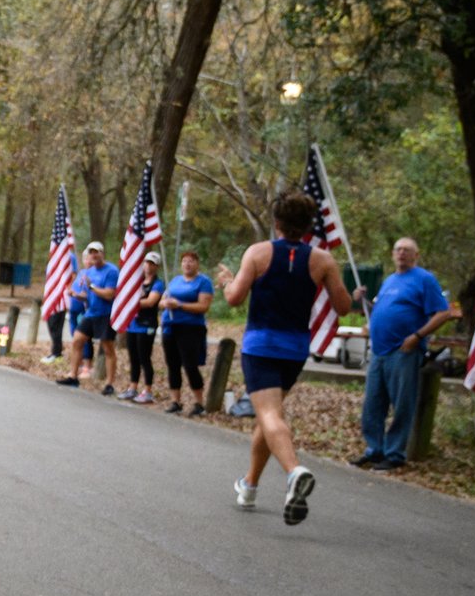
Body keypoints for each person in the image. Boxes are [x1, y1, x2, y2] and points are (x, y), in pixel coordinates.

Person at [222, 194, 352, 524]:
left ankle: (294, 472)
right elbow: (343, 306)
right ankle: (249, 485)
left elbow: (235, 298)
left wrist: (225, 282)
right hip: (295, 350)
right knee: (269, 416)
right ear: (309, 225)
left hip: (261, 345)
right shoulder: (322, 260)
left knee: (267, 414)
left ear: (277, 223)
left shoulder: (258, 252)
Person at [357, 237, 459, 470]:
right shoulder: (390, 281)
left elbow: (443, 313)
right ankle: (375, 450)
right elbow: (386, 311)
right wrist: (362, 300)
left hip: (403, 351)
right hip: (379, 351)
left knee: (402, 403)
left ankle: (394, 454)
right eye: (398, 249)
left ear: (416, 255)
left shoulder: (424, 279)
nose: (401, 253)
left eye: (407, 250)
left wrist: (417, 336)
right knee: (373, 404)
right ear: (393, 254)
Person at [157, 249, 214, 414]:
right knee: (172, 364)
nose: (187, 264)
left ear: (197, 263)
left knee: (190, 365)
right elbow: (162, 301)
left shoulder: (203, 282)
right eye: (185, 261)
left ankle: (199, 403)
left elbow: (204, 306)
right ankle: (176, 401)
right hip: (170, 326)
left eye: (191, 261)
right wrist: (165, 304)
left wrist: (180, 305)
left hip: (190, 328)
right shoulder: (175, 280)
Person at [60, 242, 119, 391]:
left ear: (102, 253)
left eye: (97, 252)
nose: (94, 255)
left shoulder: (111, 271)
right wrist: (77, 295)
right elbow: (88, 294)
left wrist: (92, 286)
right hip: (91, 313)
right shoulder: (89, 271)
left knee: (108, 348)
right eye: (91, 253)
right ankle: (73, 376)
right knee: (77, 341)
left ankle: (109, 383)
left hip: (106, 314)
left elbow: (109, 294)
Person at [122, 250, 162, 402]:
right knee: (133, 357)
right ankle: (133, 387)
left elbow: (151, 301)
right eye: (147, 262)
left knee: (144, 356)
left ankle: (148, 390)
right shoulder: (137, 282)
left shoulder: (157, 284)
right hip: (133, 324)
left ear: (156, 266)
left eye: (152, 263)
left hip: (147, 325)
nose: (148, 266)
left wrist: (132, 302)